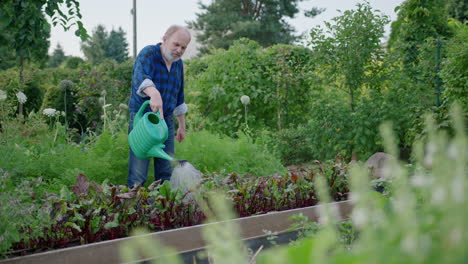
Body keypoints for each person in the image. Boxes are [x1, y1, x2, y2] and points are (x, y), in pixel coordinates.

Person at [127, 25, 191, 189]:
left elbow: (179, 97)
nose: (179, 50)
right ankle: (134, 208)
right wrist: (153, 93)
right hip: (143, 121)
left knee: (165, 171)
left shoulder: (178, 64)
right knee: (138, 173)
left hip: (166, 123)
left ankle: (161, 208)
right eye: (176, 44)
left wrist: (182, 126)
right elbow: (140, 76)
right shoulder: (149, 54)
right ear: (165, 39)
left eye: (183, 47)